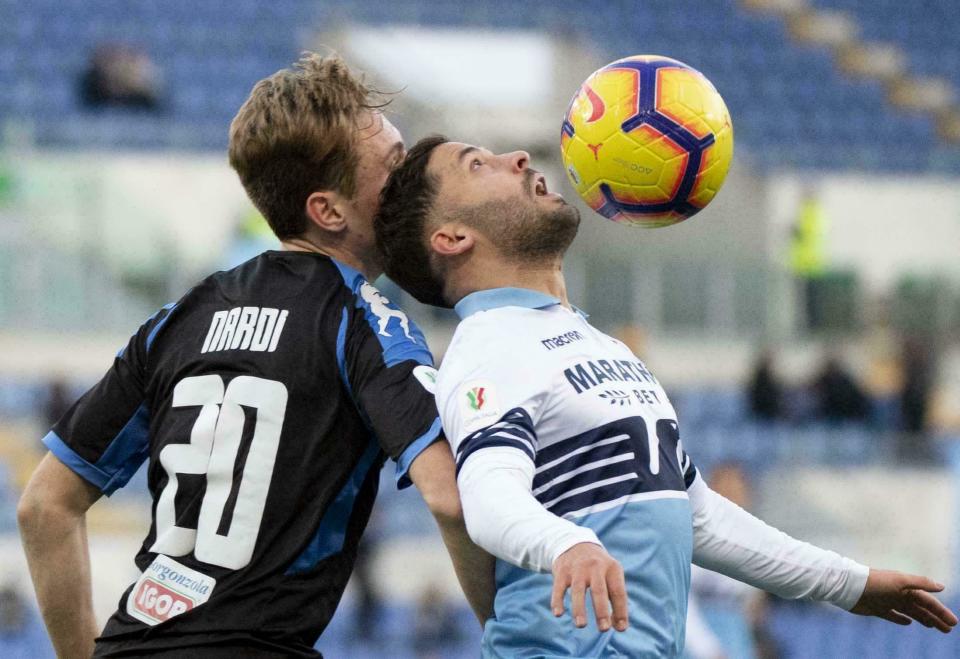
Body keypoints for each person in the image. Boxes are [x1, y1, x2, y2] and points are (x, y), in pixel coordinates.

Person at [373, 135, 958, 657]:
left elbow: (697, 514)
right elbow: (486, 495)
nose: (517, 157)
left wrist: (847, 584)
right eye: (479, 165)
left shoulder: (601, 345)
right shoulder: (487, 344)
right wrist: (567, 542)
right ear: (452, 238)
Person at [18, 54, 494, 658]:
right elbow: (449, 496)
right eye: (392, 166)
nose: (409, 182)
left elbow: (43, 506)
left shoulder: (179, 318)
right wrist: (512, 636)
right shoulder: (363, 319)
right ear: (328, 211)